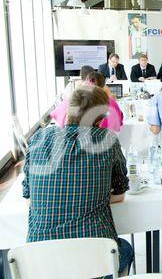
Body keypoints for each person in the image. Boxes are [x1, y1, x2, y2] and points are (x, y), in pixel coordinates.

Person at [23, 86, 133, 276]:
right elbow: (120, 192)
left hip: (40, 261)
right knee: (125, 249)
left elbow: (28, 196)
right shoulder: (107, 139)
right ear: (100, 118)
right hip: (95, 257)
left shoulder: (39, 138)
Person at [51, 71, 124, 132]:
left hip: (68, 139)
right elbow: (118, 123)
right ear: (102, 87)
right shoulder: (109, 102)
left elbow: (55, 115)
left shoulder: (70, 99)